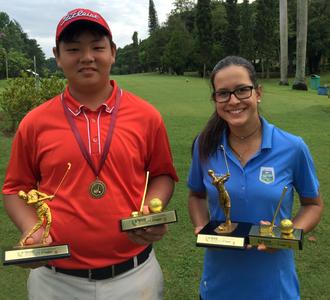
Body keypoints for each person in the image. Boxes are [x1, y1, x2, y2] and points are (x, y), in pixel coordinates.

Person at [2, 8, 178, 300]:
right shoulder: (34, 123)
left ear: (113, 53)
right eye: (73, 49)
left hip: (135, 276)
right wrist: (30, 230)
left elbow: (162, 174)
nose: (86, 57)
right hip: (55, 282)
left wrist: (150, 211)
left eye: (97, 47)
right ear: (58, 56)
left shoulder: (147, 116)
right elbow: (14, 189)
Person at [187, 56, 323, 299]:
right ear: (215, 100)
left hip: (275, 289)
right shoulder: (204, 145)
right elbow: (196, 195)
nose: (233, 100)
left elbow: (313, 205)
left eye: (242, 90)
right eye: (223, 93)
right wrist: (200, 223)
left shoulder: (292, 147)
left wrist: (285, 236)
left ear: (258, 92)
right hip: (218, 288)